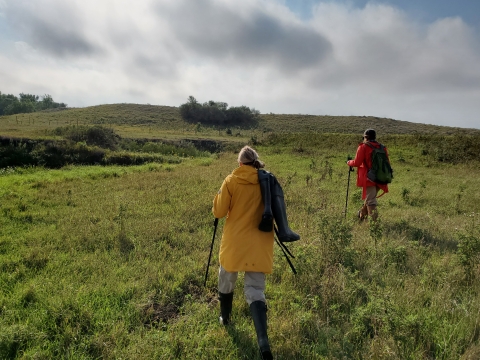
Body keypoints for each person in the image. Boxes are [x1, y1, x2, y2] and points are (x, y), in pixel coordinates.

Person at [212, 145, 274, 360]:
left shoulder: (231, 180)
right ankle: (263, 342)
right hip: (260, 242)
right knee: (255, 289)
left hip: (234, 242)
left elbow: (219, 211)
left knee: (226, 279)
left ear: (240, 163)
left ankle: (225, 318)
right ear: (256, 161)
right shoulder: (267, 180)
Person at [347, 129, 390, 221]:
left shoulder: (363, 147)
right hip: (382, 177)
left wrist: (349, 162)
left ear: (365, 137)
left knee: (371, 201)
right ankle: (362, 216)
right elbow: (387, 163)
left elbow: (357, 163)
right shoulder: (382, 147)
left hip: (369, 178)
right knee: (370, 198)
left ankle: (375, 225)